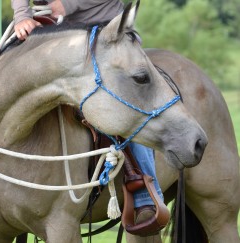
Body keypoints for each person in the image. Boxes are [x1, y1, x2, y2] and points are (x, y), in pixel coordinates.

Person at [11, 0, 163, 225]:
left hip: (107, 31)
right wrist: (22, 15)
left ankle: (145, 195)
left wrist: (68, 4)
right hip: (52, 31)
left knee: (130, 104)